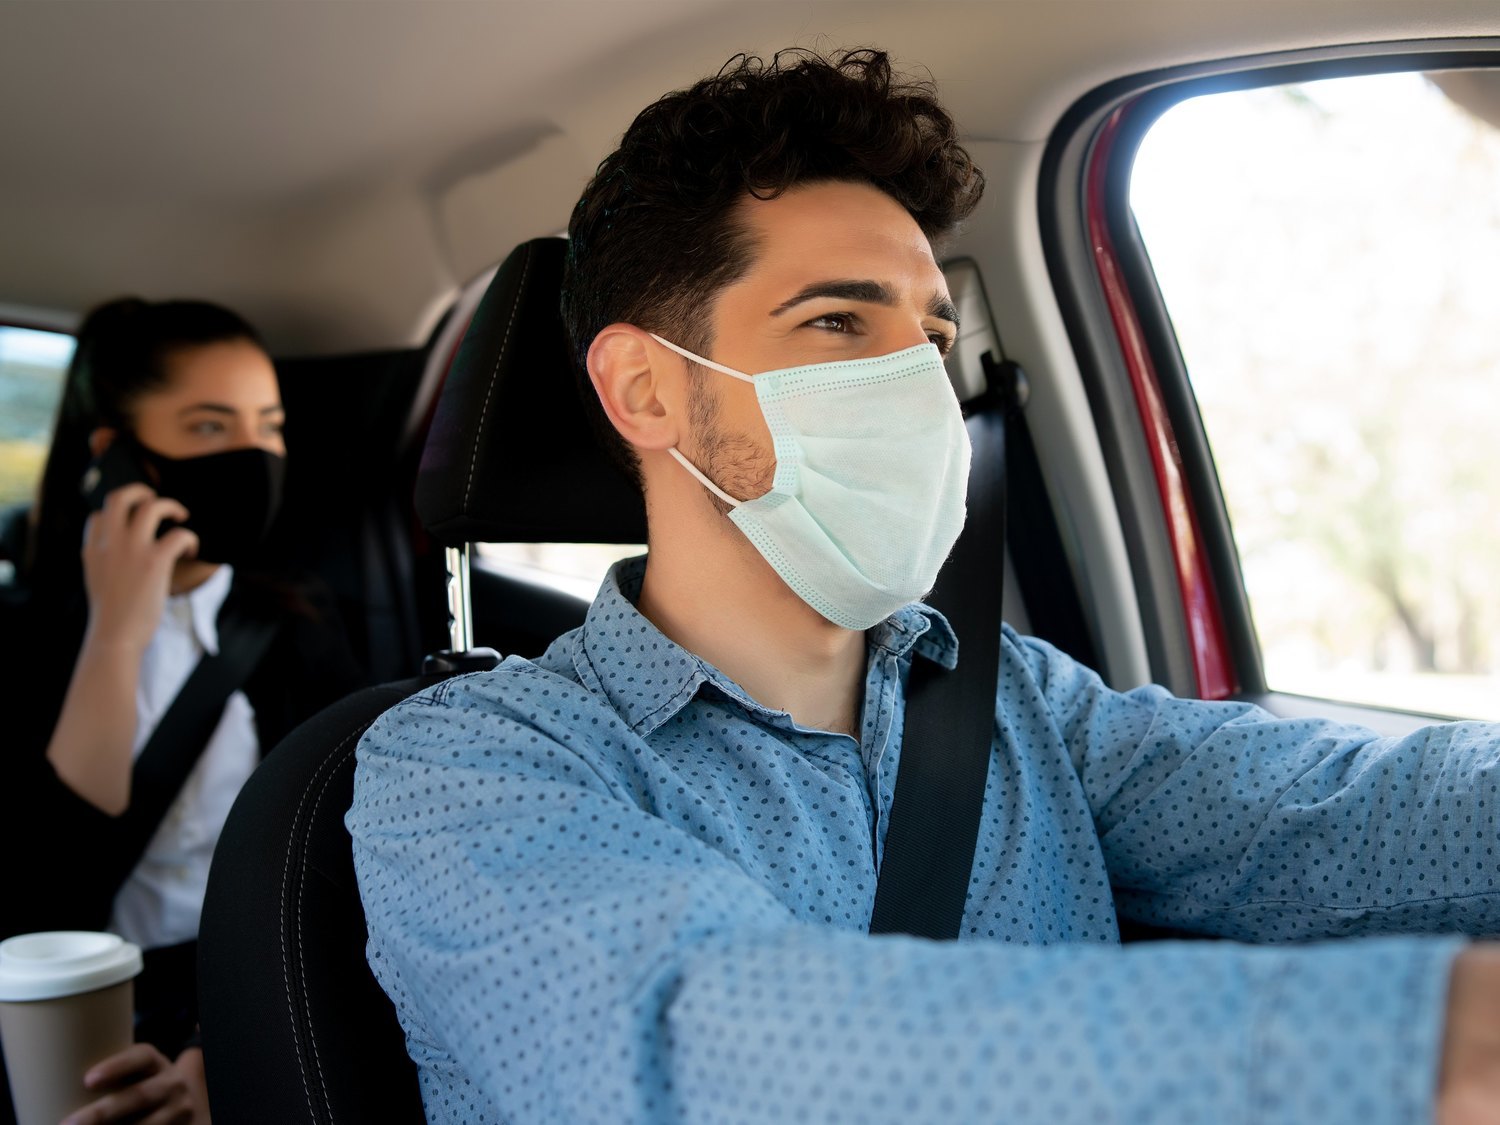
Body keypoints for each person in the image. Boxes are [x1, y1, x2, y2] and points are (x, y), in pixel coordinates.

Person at [347, 49, 1500, 1124]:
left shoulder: (1022, 705)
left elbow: (1337, 813)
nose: (913, 384)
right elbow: (703, 1035)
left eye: (931, 338)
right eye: (839, 321)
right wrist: (1417, 1049)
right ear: (646, 389)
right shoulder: (466, 768)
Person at [1, 298, 363, 1125]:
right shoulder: (27, 635)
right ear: (119, 458)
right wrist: (117, 633)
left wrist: (219, 1050)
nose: (252, 454)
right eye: (208, 427)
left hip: (243, 990)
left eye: (268, 425)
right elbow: (44, 884)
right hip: (76, 998)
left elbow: (340, 855)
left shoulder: (296, 620)